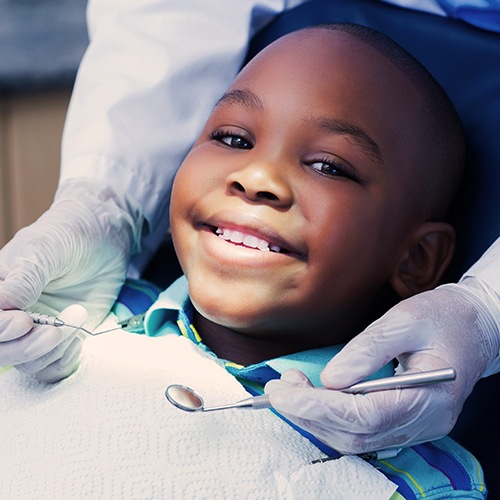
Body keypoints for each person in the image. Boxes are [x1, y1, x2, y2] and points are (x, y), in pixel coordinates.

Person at [0, 24, 487, 499]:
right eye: (234, 138)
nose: (256, 177)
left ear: (416, 260)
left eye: (328, 166)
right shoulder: (65, 325)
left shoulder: (420, 479)